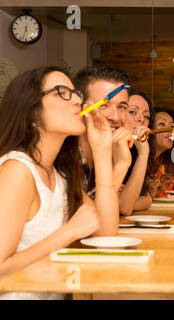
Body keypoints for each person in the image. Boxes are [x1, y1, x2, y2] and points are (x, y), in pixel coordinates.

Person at [0, 66, 119, 299]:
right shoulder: (17, 171)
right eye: (61, 92)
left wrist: (103, 151)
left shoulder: (58, 175)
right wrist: (69, 232)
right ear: (32, 112)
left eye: (75, 93)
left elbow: (106, 233)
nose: (77, 100)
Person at [73, 66, 133, 229]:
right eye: (104, 105)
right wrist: (119, 166)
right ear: (80, 108)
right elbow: (97, 225)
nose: (115, 117)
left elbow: (101, 221)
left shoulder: (100, 154)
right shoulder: (64, 157)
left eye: (122, 107)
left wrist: (122, 164)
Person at [119, 90, 152, 215]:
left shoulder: (133, 151)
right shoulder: (103, 149)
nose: (141, 120)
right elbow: (125, 207)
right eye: (132, 112)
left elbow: (145, 197)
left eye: (146, 116)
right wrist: (144, 153)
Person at [147, 106, 174, 198]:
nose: (170, 130)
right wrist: (151, 194)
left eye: (171, 126)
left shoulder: (160, 165)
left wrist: (159, 189)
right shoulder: (139, 160)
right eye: (162, 124)